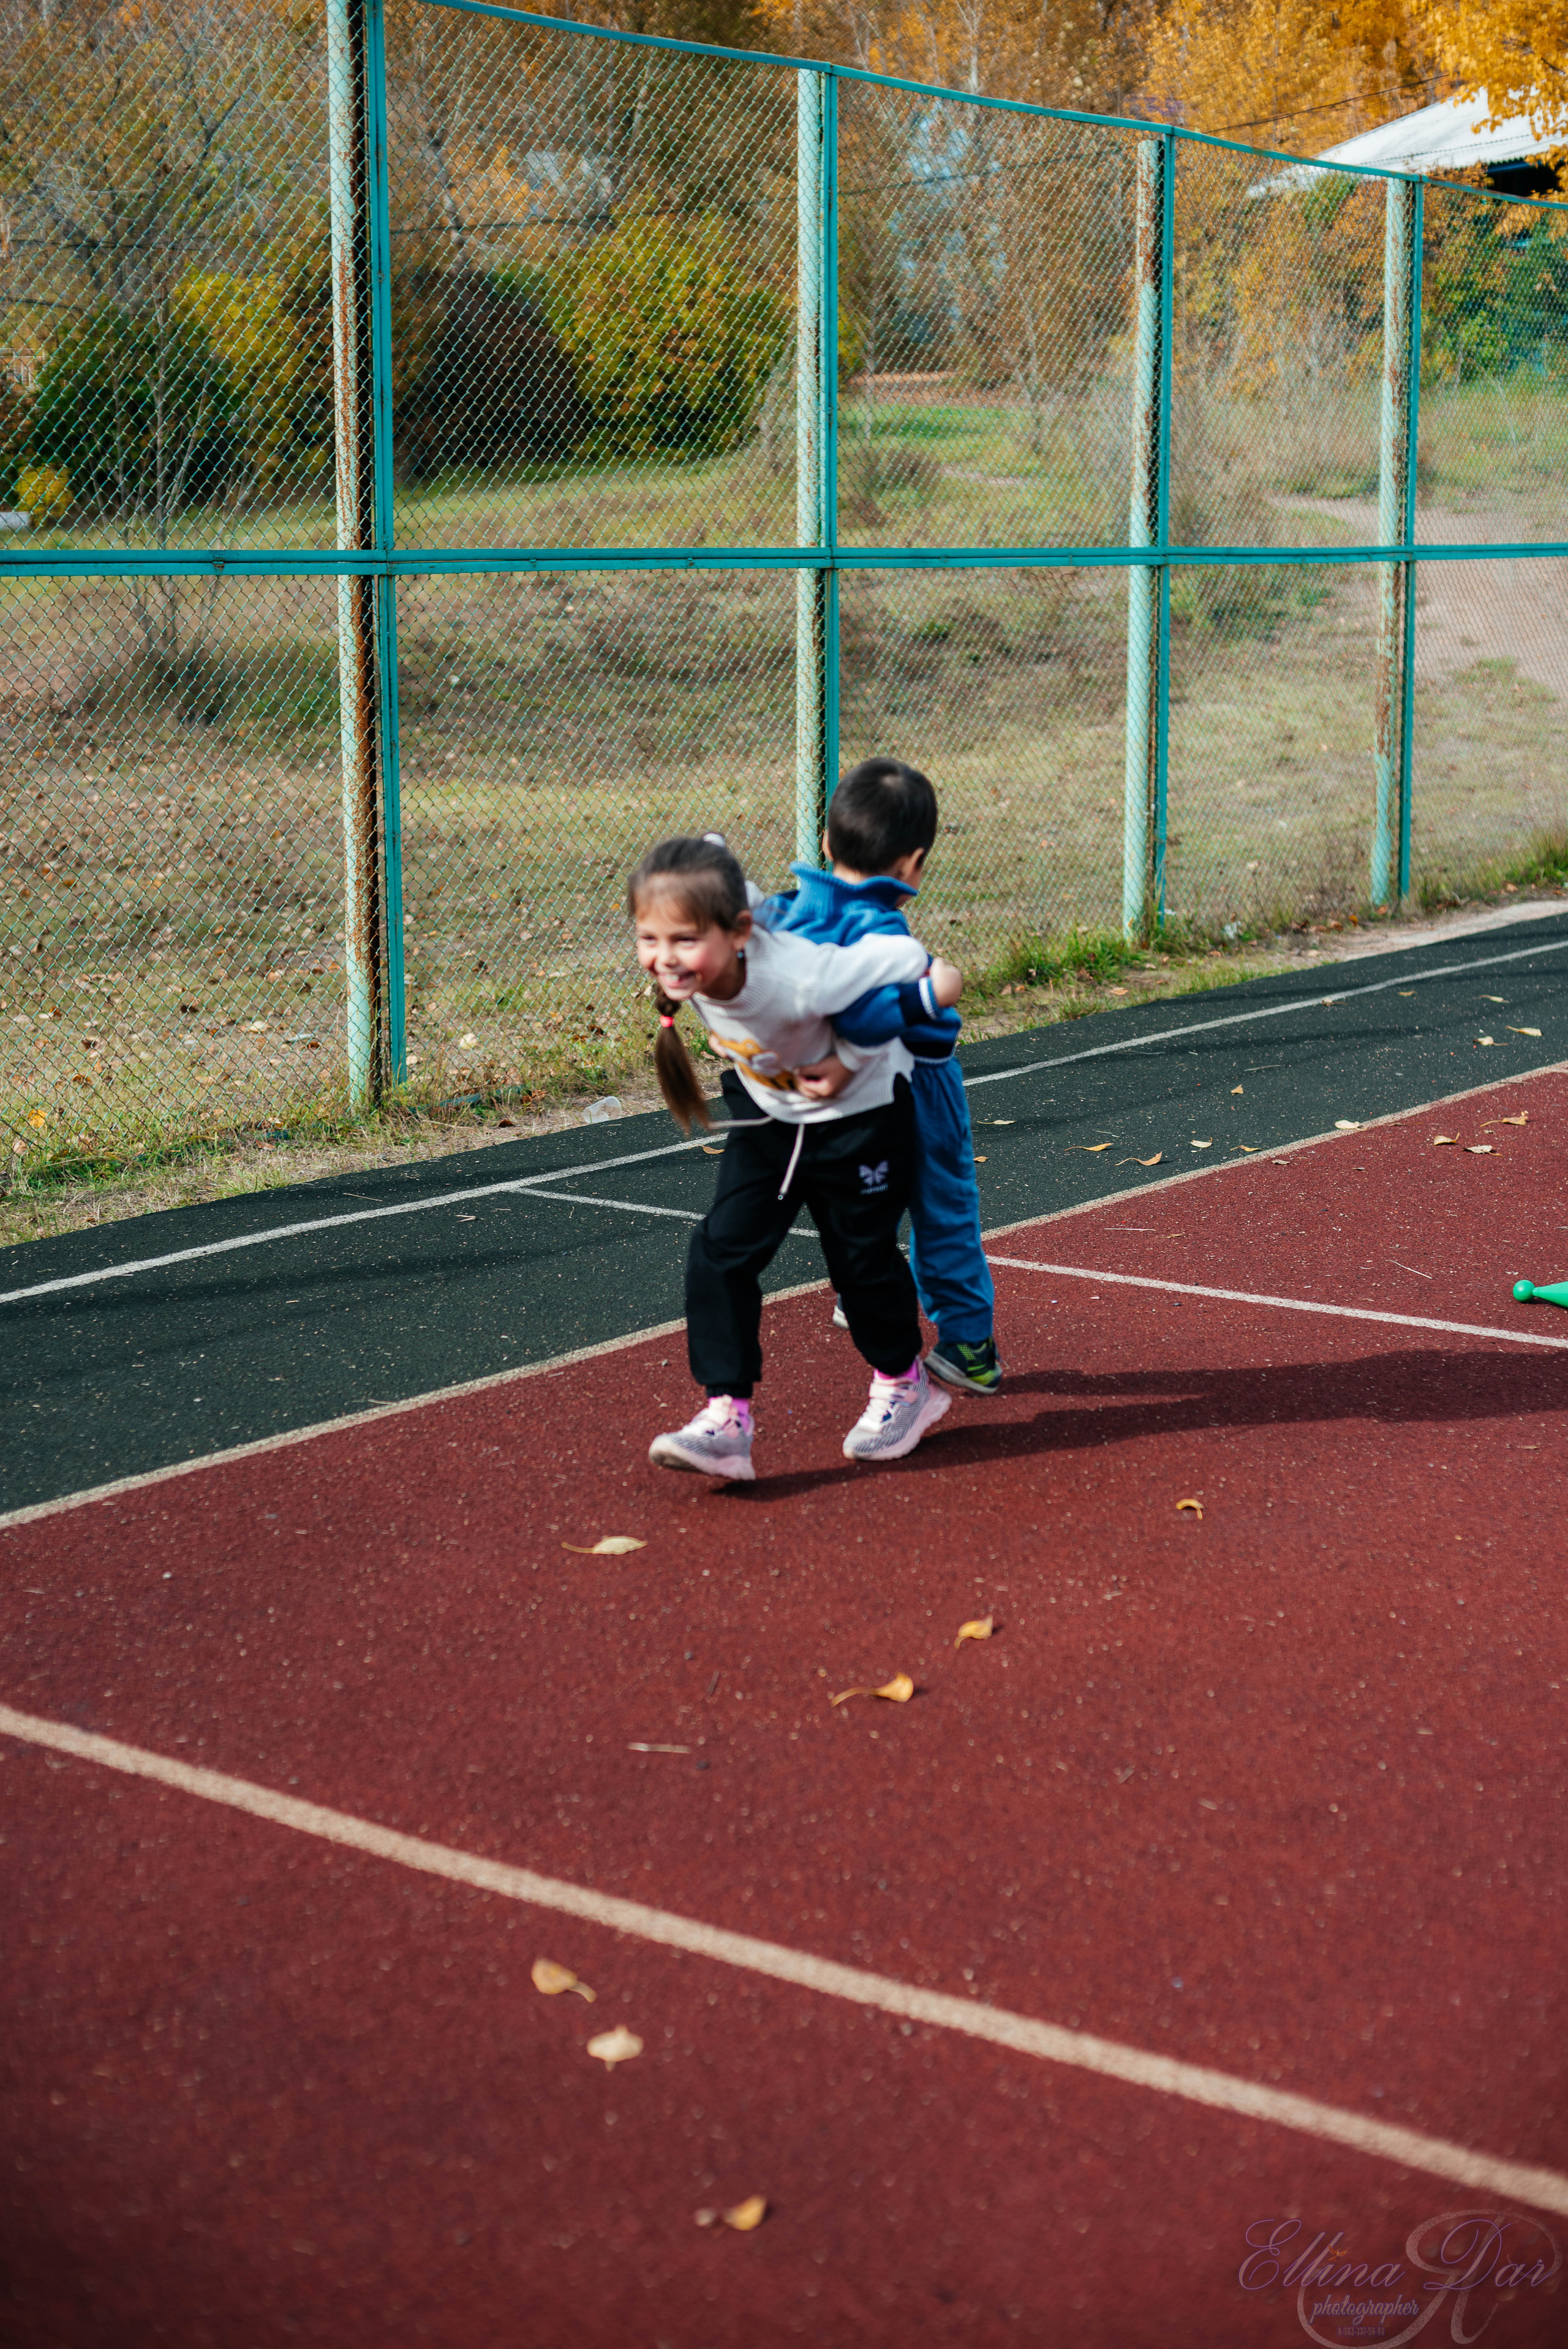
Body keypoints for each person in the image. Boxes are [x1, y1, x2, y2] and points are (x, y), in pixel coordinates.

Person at [630, 833, 962, 1480]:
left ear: (739, 932)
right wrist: (709, 848)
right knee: (719, 1251)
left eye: (683, 940)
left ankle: (904, 1384)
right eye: (649, 939)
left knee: (859, 1263)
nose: (665, 959)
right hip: (770, 1120)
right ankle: (726, 1417)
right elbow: (720, 876)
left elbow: (910, 959)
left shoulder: (803, 975)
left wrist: (851, 1058)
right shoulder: (711, 940)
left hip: (859, 1120)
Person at [758, 756, 1000, 1395]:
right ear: (913, 864)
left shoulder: (789, 910)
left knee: (854, 1191)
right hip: (916, 1082)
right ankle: (969, 1343)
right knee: (942, 1204)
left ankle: (861, 1288)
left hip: (821, 1093)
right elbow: (882, 1019)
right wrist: (933, 996)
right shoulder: (884, 931)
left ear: (828, 843)